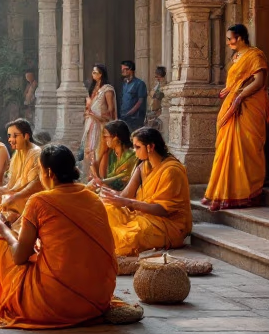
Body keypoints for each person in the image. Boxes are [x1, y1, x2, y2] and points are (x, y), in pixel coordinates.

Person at [0, 144, 118, 329]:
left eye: (40, 170)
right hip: (97, 299)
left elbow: (20, 257)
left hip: (55, 304)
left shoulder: (39, 201)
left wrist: (5, 231)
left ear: (49, 173)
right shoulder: (93, 198)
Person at [203, 24, 269, 211]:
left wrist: (240, 96)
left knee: (247, 147)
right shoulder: (236, 57)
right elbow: (238, 80)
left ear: (240, 38)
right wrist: (230, 90)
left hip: (249, 106)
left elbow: (259, 81)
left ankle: (248, 192)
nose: (228, 42)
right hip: (233, 104)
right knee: (227, 148)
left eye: (230, 39)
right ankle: (227, 192)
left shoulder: (254, 55)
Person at [98, 127, 192, 256]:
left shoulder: (171, 171)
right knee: (106, 209)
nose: (134, 151)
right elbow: (126, 195)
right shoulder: (143, 165)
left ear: (150, 147)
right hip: (142, 214)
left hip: (168, 224)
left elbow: (163, 210)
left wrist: (128, 202)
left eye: (137, 147)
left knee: (130, 237)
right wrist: (109, 195)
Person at [82, 64, 117, 169]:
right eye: (93, 72)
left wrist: (101, 118)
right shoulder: (93, 88)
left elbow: (111, 108)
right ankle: (90, 173)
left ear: (101, 74)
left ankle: (100, 173)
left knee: (100, 149)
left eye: (95, 72)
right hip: (91, 123)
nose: (92, 74)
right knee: (89, 148)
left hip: (101, 123)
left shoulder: (107, 89)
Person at [89, 120, 138, 191]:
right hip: (106, 189)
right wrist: (103, 153)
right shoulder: (111, 153)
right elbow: (102, 176)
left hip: (122, 191)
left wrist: (101, 183)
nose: (104, 140)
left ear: (116, 137)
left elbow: (123, 180)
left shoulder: (132, 156)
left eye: (106, 137)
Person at [119, 61, 147, 131]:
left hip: (134, 119)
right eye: (122, 69)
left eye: (125, 69)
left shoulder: (140, 83)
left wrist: (129, 113)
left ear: (131, 70)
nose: (123, 71)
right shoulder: (124, 84)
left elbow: (140, 101)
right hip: (124, 117)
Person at [145, 66, 167, 131]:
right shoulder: (155, 85)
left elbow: (159, 96)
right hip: (151, 111)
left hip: (159, 112)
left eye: (158, 76)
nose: (157, 78)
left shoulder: (164, 85)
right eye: (156, 76)